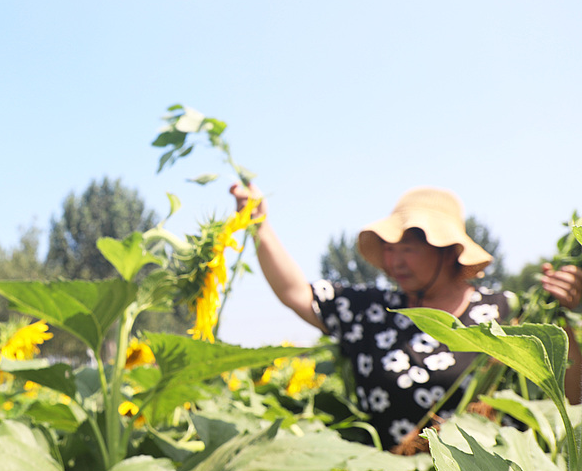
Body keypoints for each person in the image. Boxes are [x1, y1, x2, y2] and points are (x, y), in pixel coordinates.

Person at [231, 183, 582, 451]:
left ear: (447, 252)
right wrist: (260, 225)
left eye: (408, 250)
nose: (394, 261)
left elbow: (572, 395)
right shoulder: (372, 312)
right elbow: (296, 293)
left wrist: (562, 315)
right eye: (389, 249)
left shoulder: (506, 312)